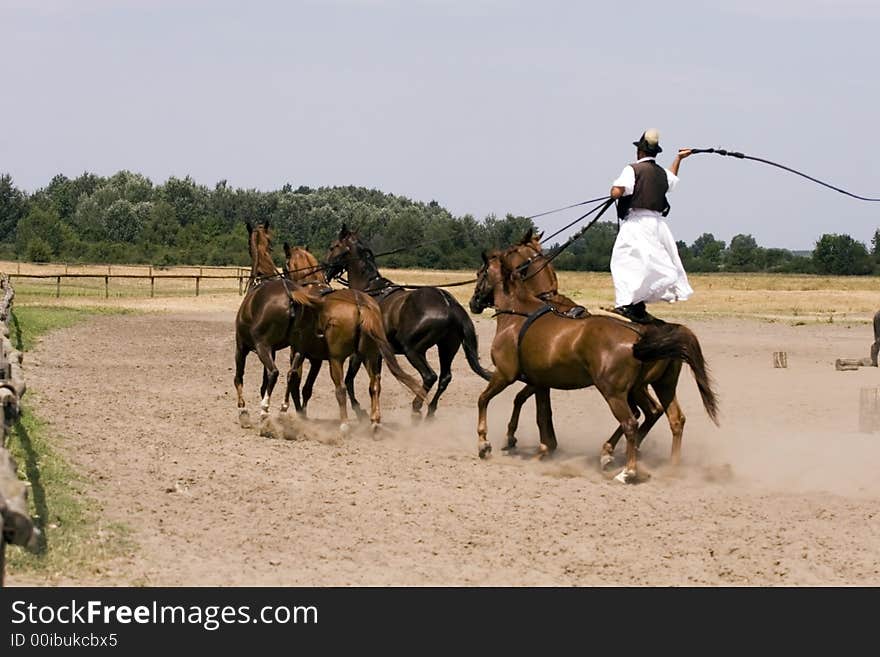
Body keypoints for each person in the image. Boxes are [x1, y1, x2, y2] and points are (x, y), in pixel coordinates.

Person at [608, 129, 694, 324]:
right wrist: (679, 159)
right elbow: (671, 179)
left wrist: (614, 190)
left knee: (624, 260)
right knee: (646, 263)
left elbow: (617, 192)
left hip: (638, 222)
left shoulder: (632, 169)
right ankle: (635, 302)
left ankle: (627, 303)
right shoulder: (661, 173)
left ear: (639, 152)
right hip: (658, 225)